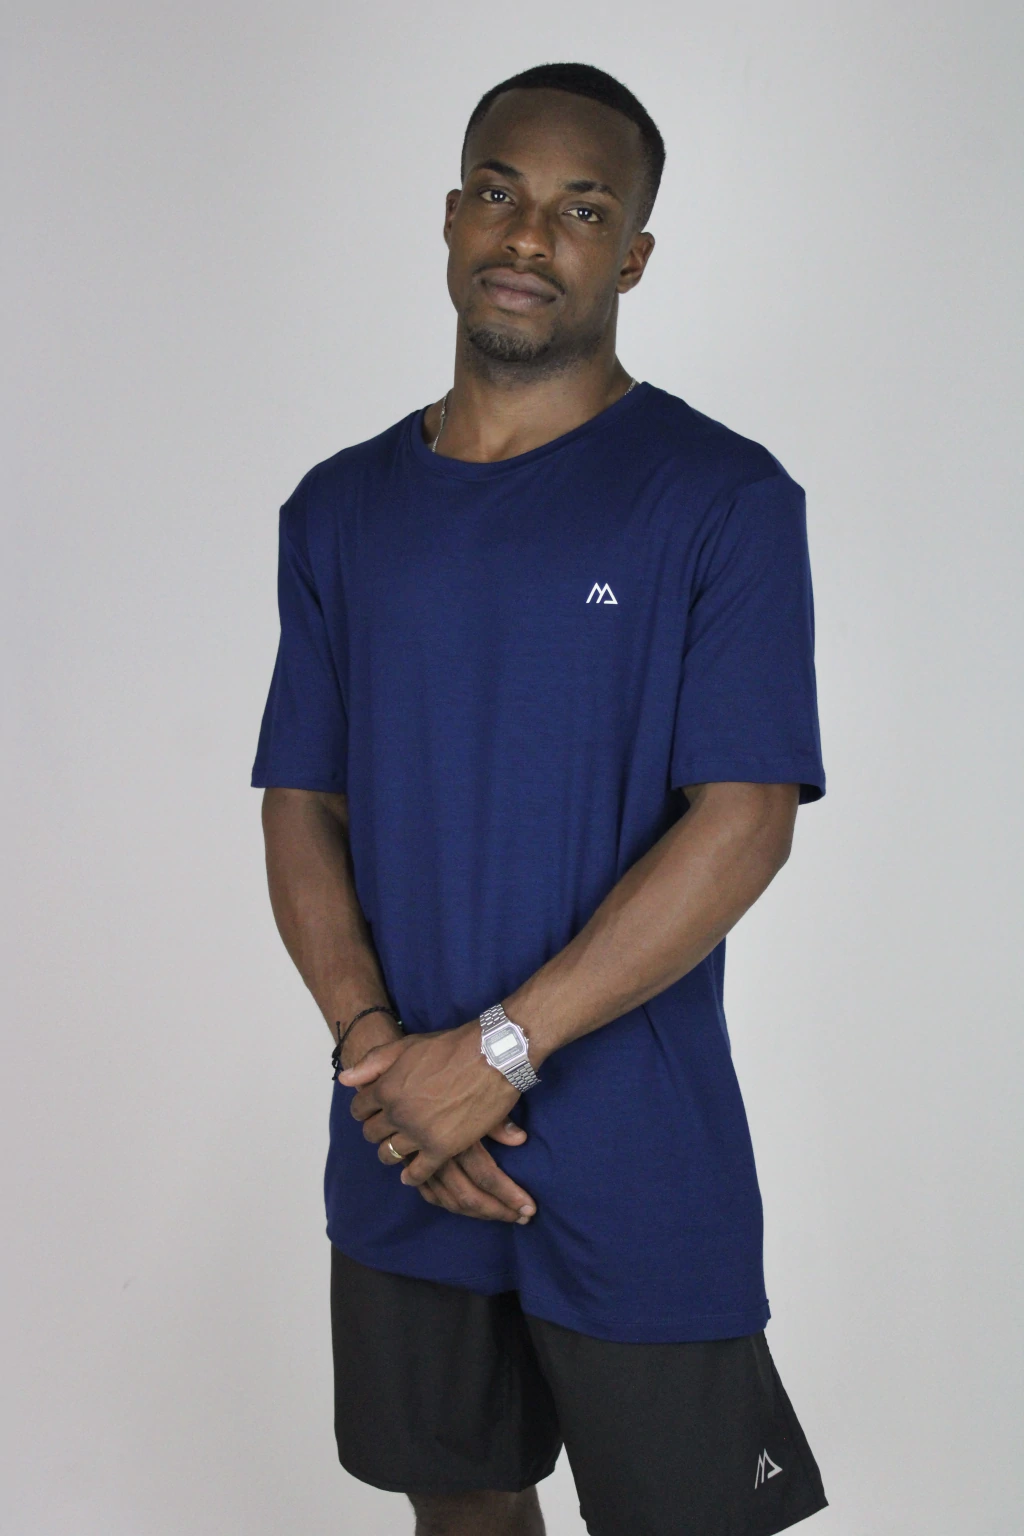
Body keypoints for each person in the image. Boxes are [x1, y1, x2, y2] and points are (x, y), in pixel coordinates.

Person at [252, 60, 829, 1536]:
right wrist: (385, 1061)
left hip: (634, 1152)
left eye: (582, 209)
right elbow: (301, 805)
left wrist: (497, 1055)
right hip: (403, 1144)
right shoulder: (337, 508)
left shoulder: (721, 498)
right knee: (460, 1515)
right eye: (501, 194)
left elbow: (746, 821)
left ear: (632, 255)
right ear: (452, 215)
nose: (528, 235)